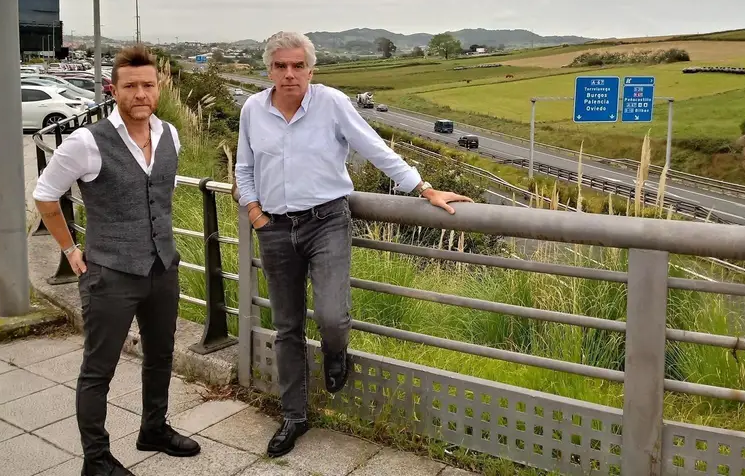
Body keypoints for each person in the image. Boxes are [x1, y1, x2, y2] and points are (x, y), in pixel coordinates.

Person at [235, 31, 472, 458]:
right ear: (268, 70)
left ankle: (335, 352)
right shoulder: (253, 109)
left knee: (330, 314)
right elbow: (244, 166)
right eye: (280, 66)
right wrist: (255, 213)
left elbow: (375, 148)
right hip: (274, 229)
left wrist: (424, 188)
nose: (290, 74)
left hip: (326, 222)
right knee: (286, 326)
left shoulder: (332, 104)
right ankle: (293, 416)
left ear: (311, 70)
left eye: (297, 66)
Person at [33, 45, 200, 476]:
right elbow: (46, 195)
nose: (140, 93)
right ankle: (96, 458)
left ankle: (154, 429)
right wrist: (70, 249)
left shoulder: (170, 135)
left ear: (157, 88)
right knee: (98, 369)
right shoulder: (87, 141)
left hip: (163, 267)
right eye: (130, 86)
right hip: (110, 274)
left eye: (148, 85)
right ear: (115, 89)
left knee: (161, 354)